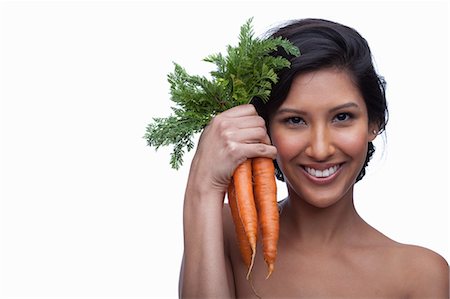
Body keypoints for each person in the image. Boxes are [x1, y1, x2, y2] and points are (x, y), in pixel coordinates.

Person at [178, 18, 449, 298]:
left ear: (374, 123)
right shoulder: (228, 231)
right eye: (295, 120)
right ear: (264, 129)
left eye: (342, 117)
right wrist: (203, 187)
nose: (320, 150)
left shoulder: (420, 276)